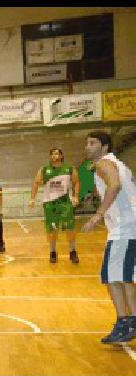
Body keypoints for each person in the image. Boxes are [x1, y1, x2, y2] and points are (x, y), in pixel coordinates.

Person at [81, 131, 136, 344]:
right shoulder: (118, 163)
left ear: (104, 147)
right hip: (129, 225)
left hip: (124, 228)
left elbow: (115, 185)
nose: (87, 146)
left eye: (92, 143)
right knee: (123, 276)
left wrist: (98, 215)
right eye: (87, 142)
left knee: (111, 276)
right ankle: (130, 320)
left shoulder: (104, 163)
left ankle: (124, 321)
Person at [28, 148, 80, 264]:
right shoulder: (44, 169)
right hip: (49, 204)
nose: (54, 156)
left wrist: (76, 196)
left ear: (61, 156)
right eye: (51, 154)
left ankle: (72, 251)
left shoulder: (69, 169)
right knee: (52, 230)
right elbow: (36, 183)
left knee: (70, 229)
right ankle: (53, 252)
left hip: (65, 203)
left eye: (56, 153)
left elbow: (76, 182)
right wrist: (32, 198)